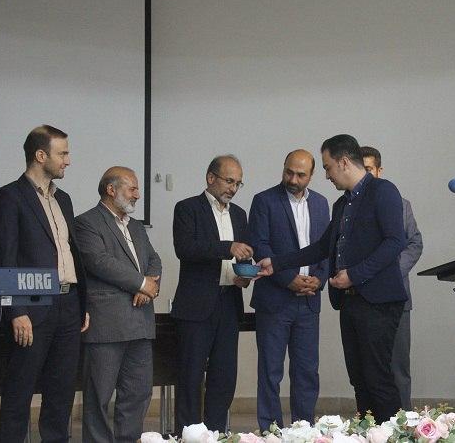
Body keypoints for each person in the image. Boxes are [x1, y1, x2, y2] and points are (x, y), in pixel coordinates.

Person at [258, 134, 407, 423]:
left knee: (377, 378)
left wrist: (354, 275)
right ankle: (369, 433)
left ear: (344, 162)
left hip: (378, 302)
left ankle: (393, 435)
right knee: (359, 379)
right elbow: (321, 248)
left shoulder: (383, 190)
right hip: (350, 303)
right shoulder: (341, 205)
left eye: (327, 167)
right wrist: (276, 263)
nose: (326, 175)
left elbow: (394, 242)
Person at [0, 125, 89, 442]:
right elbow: (5, 258)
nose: (68, 161)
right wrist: (16, 310)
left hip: (69, 304)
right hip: (32, 307)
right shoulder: (9, 196)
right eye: (63, 153)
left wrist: (82, 304)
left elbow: (71, 253)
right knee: (19, 391)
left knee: (61, 391)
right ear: (41, 155)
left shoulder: (65, 199)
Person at [75, 166, 162, 442]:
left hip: (141, 322)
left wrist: (148, 285)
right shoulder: (86, 222)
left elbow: (154, 259)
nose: (137, 194)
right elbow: (99, 262)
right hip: (107, 325)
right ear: (111, 190)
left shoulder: (136, 226)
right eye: (132, 188)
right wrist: (141, 283)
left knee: (138, 392)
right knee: (99, 397)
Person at [248, 149, 330, 430]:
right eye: (289, 172)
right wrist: (288, 278)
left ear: (311, 175)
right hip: (275, 299)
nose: (293, 179)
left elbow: (327, 248)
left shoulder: (321, 204)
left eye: (300, 175)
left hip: (309, 300)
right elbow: (260, 245)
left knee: (307, 371)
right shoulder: (264, 201)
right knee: (271, 372)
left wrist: (319, 279)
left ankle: (303, 430)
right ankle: (270, 431)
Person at [172, 155, 253, 432]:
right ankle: (188, 434)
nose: (233, 188)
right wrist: (227, 247)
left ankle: (216, 433)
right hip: (196, 306)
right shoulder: (187, 208)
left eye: (238, 183)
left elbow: (241, 257)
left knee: (224, 376)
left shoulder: (239, 214)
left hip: (229, 302)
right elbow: (185, 248)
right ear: (210, 178)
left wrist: (244, 275)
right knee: (191, 376)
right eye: (229, 181)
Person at [360, 146, 422, 410]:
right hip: (361, 300)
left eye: (369, 169)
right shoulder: (349, 207)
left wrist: (389, 274)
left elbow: (414, 244)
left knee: (398, 368)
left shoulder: (400, 204)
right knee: (366, 370)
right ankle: (370, 425)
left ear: (379, 171)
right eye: (361, 169)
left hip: (397, 298)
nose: (365, 175)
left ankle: (403, 425)